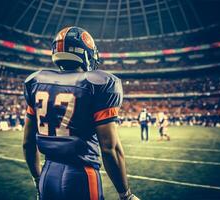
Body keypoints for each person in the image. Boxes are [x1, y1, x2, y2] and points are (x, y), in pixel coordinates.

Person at [22, 26, 139, 200]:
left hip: (47, 176)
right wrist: (125, 194)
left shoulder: (36, 82)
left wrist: (38, 179)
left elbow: (27, 143)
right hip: (81, 176)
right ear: (86, 53)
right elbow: (110, 149)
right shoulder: (98, 84)